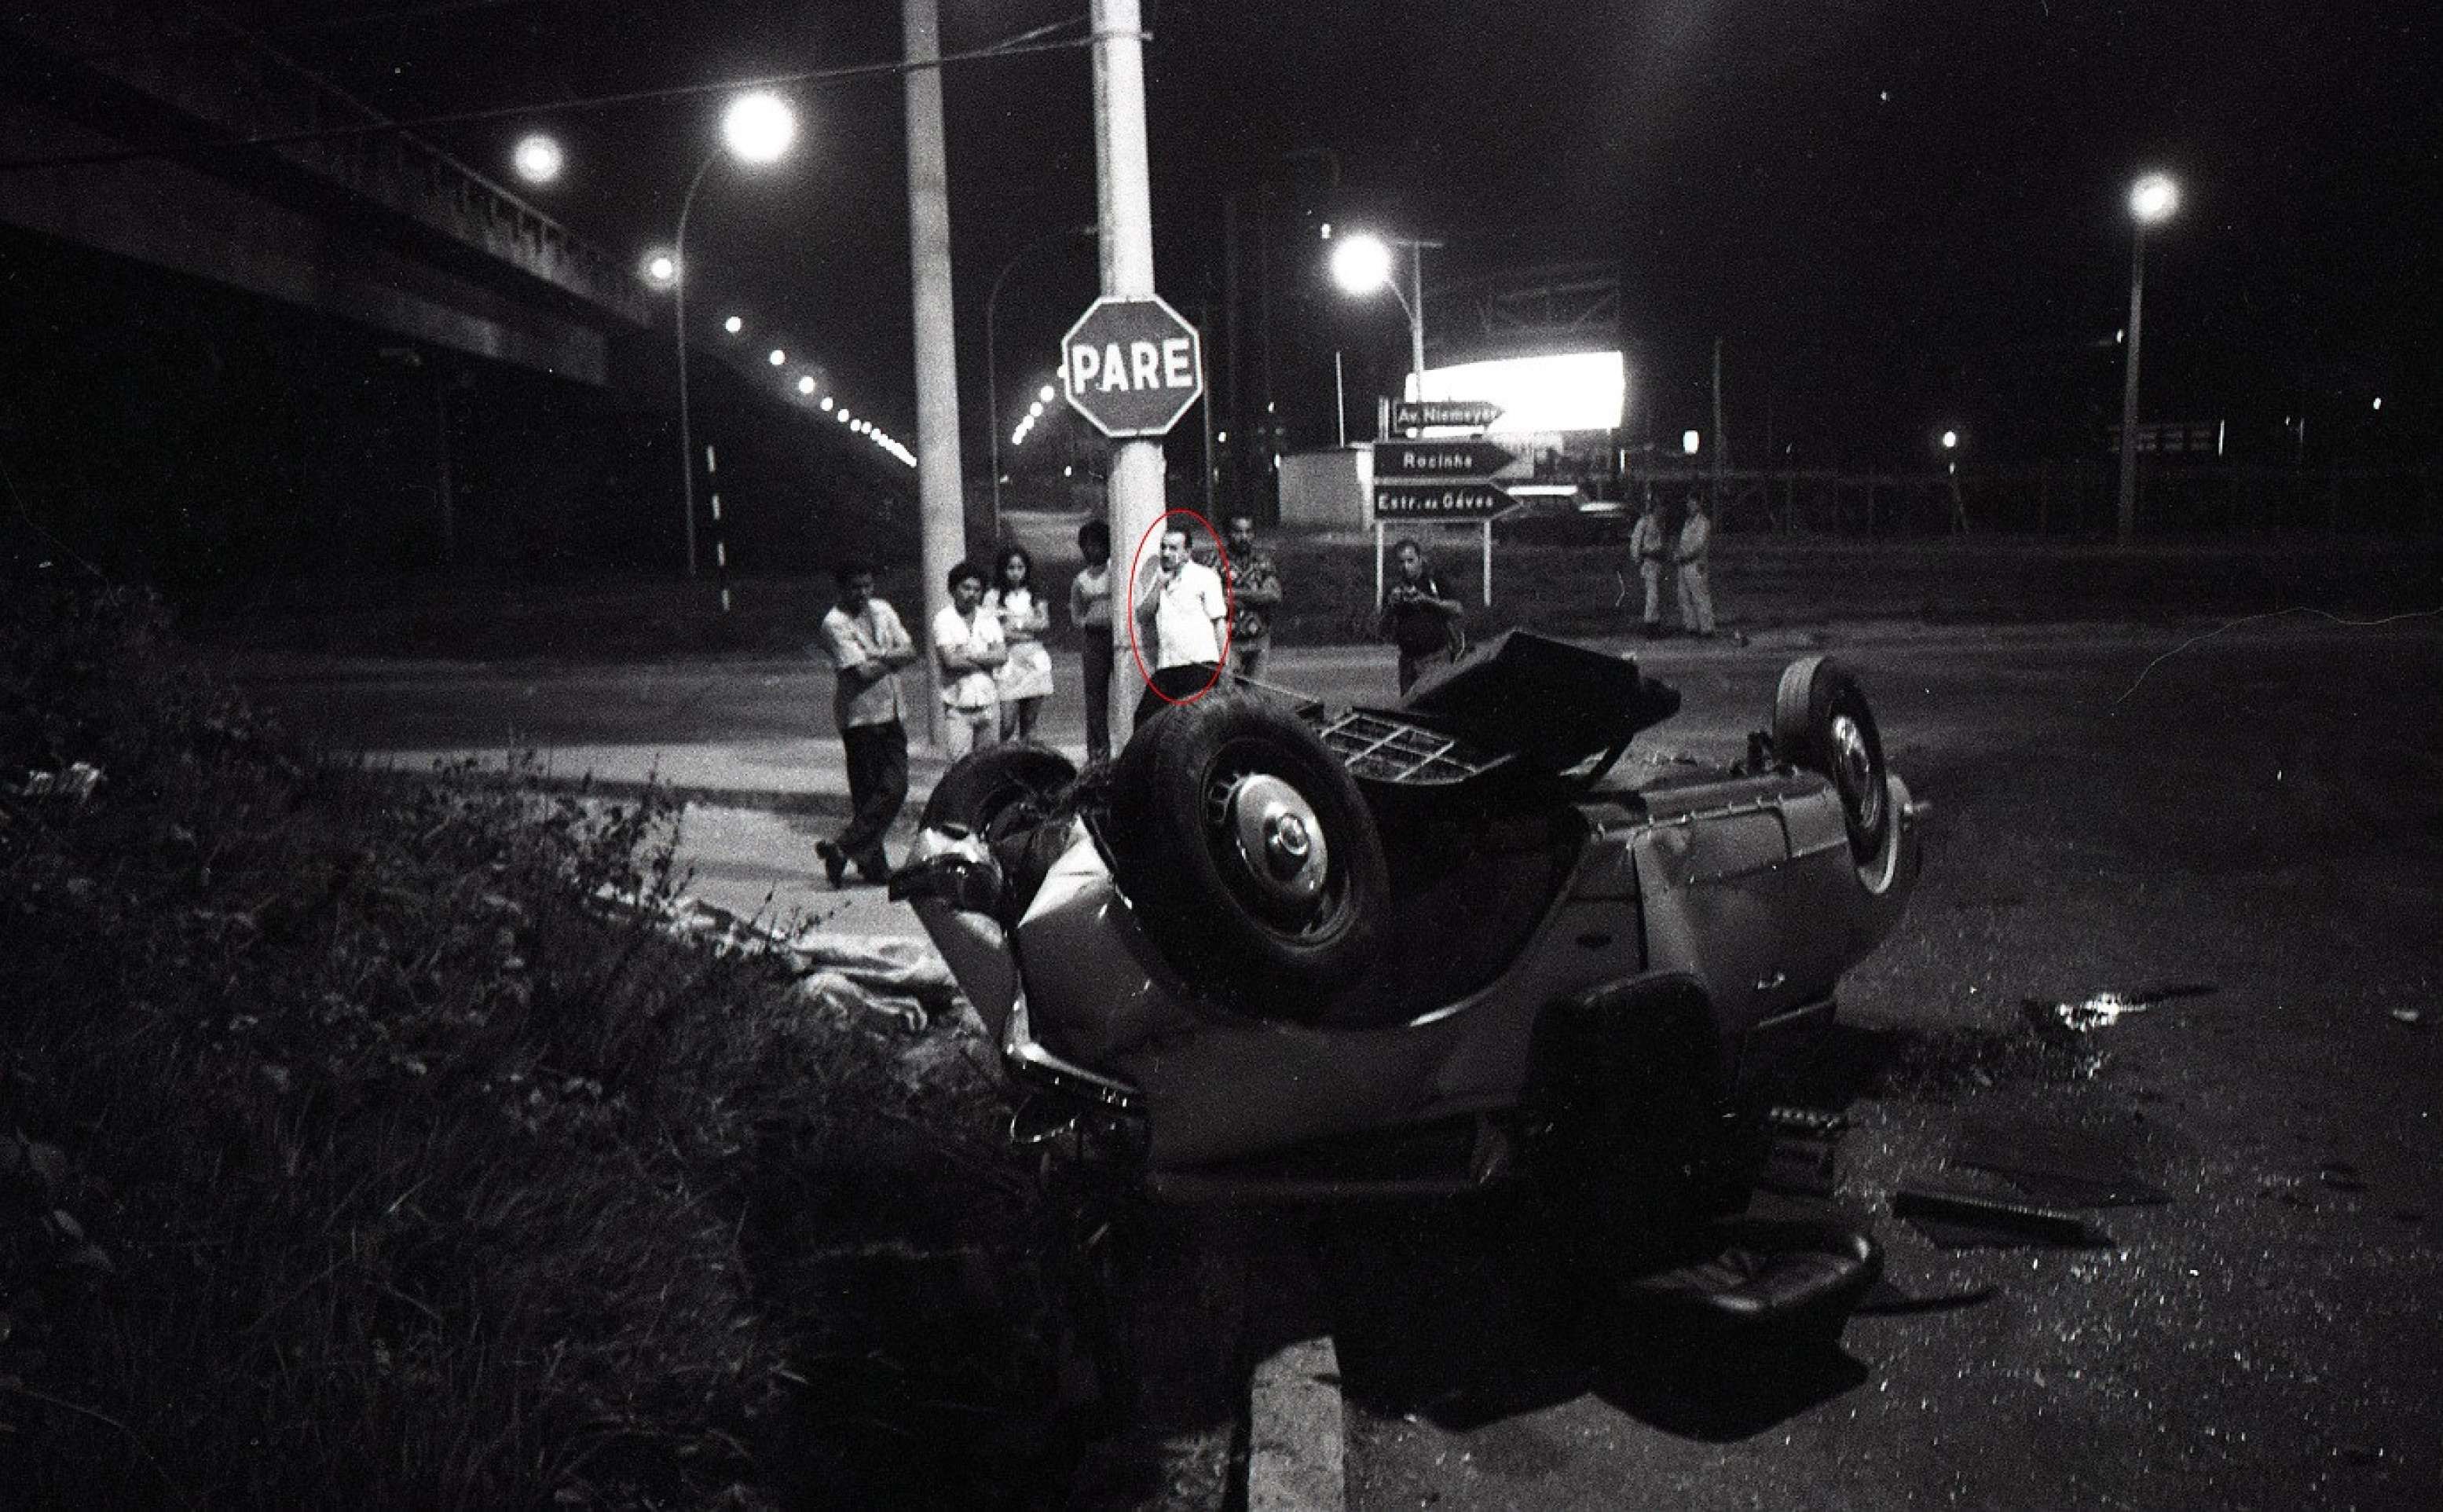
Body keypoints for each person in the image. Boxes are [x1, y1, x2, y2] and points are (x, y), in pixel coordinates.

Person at [813, 562, 918, 889]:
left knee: (896, 786)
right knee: (868, 790)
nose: (863, 594)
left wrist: (878, 657)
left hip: (892, 708)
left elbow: (911, 649)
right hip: (859, 716)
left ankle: (842, 848)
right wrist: (891, 657)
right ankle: (874, 866)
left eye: (868, 586)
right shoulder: (834, 623)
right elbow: (860, 673)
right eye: (855, 587)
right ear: (842, 588)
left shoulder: (883, 609)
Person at [1132, 520, 1229, 727]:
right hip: (1168, 666)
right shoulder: (1159, 578)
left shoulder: (1205, 577)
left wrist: (1224, 666)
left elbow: (1219, 623)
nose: (1166, 553)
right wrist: (1159, 584)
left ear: (1187, 552)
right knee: (1143, 719)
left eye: (1173, 548)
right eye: (1163, 547)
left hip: (1200, 666)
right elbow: (1142, 615)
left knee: (1196, 724)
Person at [930, 560, 1006, 758]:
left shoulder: (988, 618)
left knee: (989, 765)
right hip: (958, 707)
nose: (971, 594)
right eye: (966, 588)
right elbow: (951, 661)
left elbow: (1002, 656)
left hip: (989, 702)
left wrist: (969, 655)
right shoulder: (943, 619)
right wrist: (987, 659)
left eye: (977, 589)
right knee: (960, 766)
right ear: (953, 590)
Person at [1378, 537, 1466, 694]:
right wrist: (1391, 607)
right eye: (1401, 562)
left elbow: (1457, 609)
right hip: (1408, 662)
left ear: (1420, 559)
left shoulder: (1434, 582)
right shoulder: (1394, 589)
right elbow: (1382, 629)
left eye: (1410, 561)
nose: (1406, 567)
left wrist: (1428, 600)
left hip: (1436, 657)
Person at [986, 544, 1054, 742]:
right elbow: (995, 629)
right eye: (1011, 568)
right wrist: (1026, 632)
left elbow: (1043, 623)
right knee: (1006, 724)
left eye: (1020, 568)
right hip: (1008, 661)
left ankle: (1026, 767)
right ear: (1003, 569)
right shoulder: (993, 596)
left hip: (1034, 661)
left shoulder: (1035, 593)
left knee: (1030, 724)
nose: (1016, 573)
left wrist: (1015, 622)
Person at [1068, 519, 1115, 762]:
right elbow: (1075, 614)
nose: (1092, 550)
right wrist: (1089, 622)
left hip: (1117, 637)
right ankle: (1098, 754)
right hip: (1094, 641)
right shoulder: (1081, 580)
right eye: (1087, 545)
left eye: (1097, 544)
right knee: (1095, 698)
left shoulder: (1115, 571)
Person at [1221, 514, 1282, 685]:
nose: (1244, 537)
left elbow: (1274, 595)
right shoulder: (1216, 562)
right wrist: (1257, 596)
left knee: (1256, 699)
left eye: (1248, 532)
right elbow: (1217, 600)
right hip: (1230, 643)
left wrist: (1236, 593)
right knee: (1230, 698)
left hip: (1259, 641)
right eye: (1238, 532)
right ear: (1228, 533)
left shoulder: (1263, 562)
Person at [1675, 493, 1717, 639]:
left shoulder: (1703, 522)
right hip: (1684, 564)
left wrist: (1684, 555)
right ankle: (1691, 627)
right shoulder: (1688, 522)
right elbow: (1683, 543)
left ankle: (1707, 629)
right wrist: (1679, 554)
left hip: (1696, 563)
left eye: (1693, 503)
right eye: (1689, 503)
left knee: (1700, 597)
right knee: (1684, 597)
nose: (1689, 506)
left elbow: (1698, 545)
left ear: (1699, 505)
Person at [1628, 494, 1669, 638]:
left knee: (1657, 596)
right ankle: (1650, 626)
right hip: (1649, 562)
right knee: (1652, 596)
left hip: (1658, 562)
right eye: (1660, 507)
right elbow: (1636, 542)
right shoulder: (1644, 522)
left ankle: (1656, 625)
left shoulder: (1661, 524)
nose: (1662, 511)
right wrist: (1637, 559)